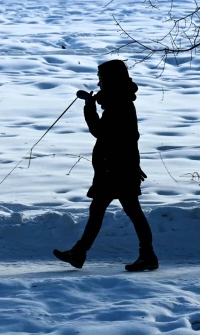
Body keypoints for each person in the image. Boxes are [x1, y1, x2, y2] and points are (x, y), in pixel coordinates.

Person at [53, 59, 158, 272]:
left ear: (110, 79)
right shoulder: (118, 101)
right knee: (102, 209)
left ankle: (147, 256)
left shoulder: (119, 104)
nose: (99, 83)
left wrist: (90, 107)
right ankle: (79, 252)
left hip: (118, 169)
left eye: (101, 78)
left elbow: (102, 133)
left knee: (131, 211)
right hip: (115, 168)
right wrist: (92, 103)